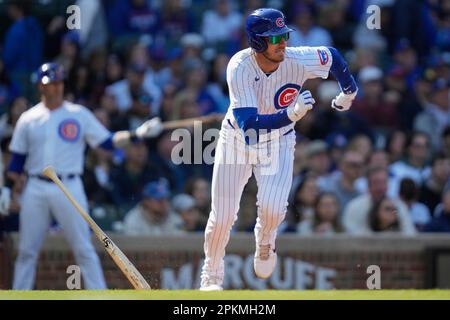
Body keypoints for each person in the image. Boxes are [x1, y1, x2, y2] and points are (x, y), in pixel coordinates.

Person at [200, 8, 358, 291]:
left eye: (284, 35)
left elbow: (332, 55)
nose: (283, 42)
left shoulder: (296, 59)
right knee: (223, 215)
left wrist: (349, 92)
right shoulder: (239, 66)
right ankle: (211, 275)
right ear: (258, 42)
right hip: (237, 139)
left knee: (273, 208)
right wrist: (292, 114)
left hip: (279, 140)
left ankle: (266, 241)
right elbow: (249, 126)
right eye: (275, 38)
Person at [0, 62, 163, 290]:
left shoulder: (78, 114)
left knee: (84, 247)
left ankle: (99, 293)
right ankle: (19, 294)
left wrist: (137, 134)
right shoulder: (28, 118)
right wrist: (7, 188)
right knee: (27, 250)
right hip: (36, 186)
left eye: (58, 83)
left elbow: (106, 141)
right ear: (40, 86)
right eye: (49, 84)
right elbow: (17, 157)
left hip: (69, 185)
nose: (54, 88)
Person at [342, 166, 416, 235]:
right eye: (376, 182)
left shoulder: (398, 206)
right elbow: (349, 232)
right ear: (368, 185)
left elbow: (409, 232)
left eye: (383, 182)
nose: (380, 187)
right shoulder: (354, 206)